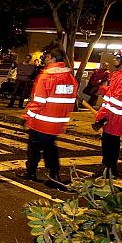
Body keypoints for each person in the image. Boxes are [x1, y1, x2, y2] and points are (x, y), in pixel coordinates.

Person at [21, 48, 78, 187]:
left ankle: (31, 172)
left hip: (41, 120)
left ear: (53, 58)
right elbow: (70, 101)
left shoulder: (47, 76)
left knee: (34, 148)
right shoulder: (70, 78)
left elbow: (39, 102)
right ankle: (54, 174)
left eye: (46, 57)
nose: (44, 59)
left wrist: (27, 116)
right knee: (50, 147)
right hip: (57, 121)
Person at [92, 46, 122, 179]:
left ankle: (109, 170)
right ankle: (109, 169)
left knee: (110, 144)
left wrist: (102, 116)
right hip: (115, 116)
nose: (115, 59)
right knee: (110, 143)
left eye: (118, 57)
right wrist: (104, 90)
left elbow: (116, 101)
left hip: (115, 117)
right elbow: (115, 94)